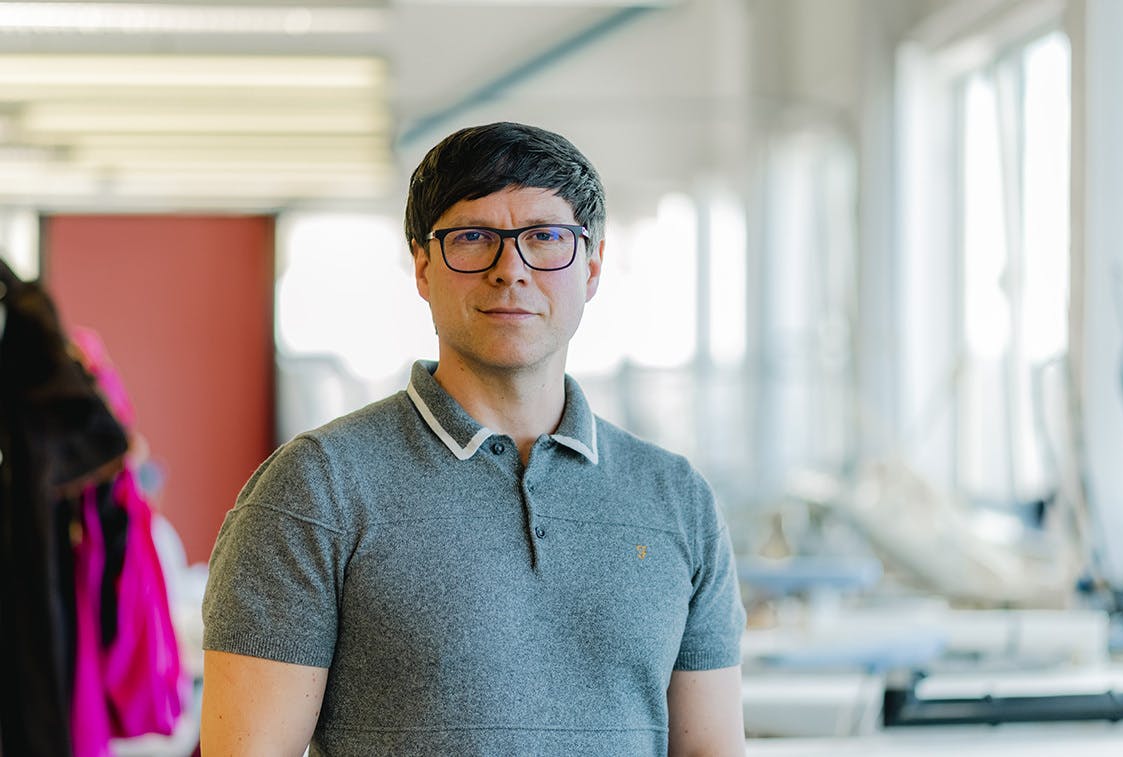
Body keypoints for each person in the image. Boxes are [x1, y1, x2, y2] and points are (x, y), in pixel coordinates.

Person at [200, 121, 747, 756]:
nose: (509, 270)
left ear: (593, 267)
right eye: (473, 238)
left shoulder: (677, 499)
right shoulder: (317, 487)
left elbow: (710, 749)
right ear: (424, 267)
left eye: (544, 238)